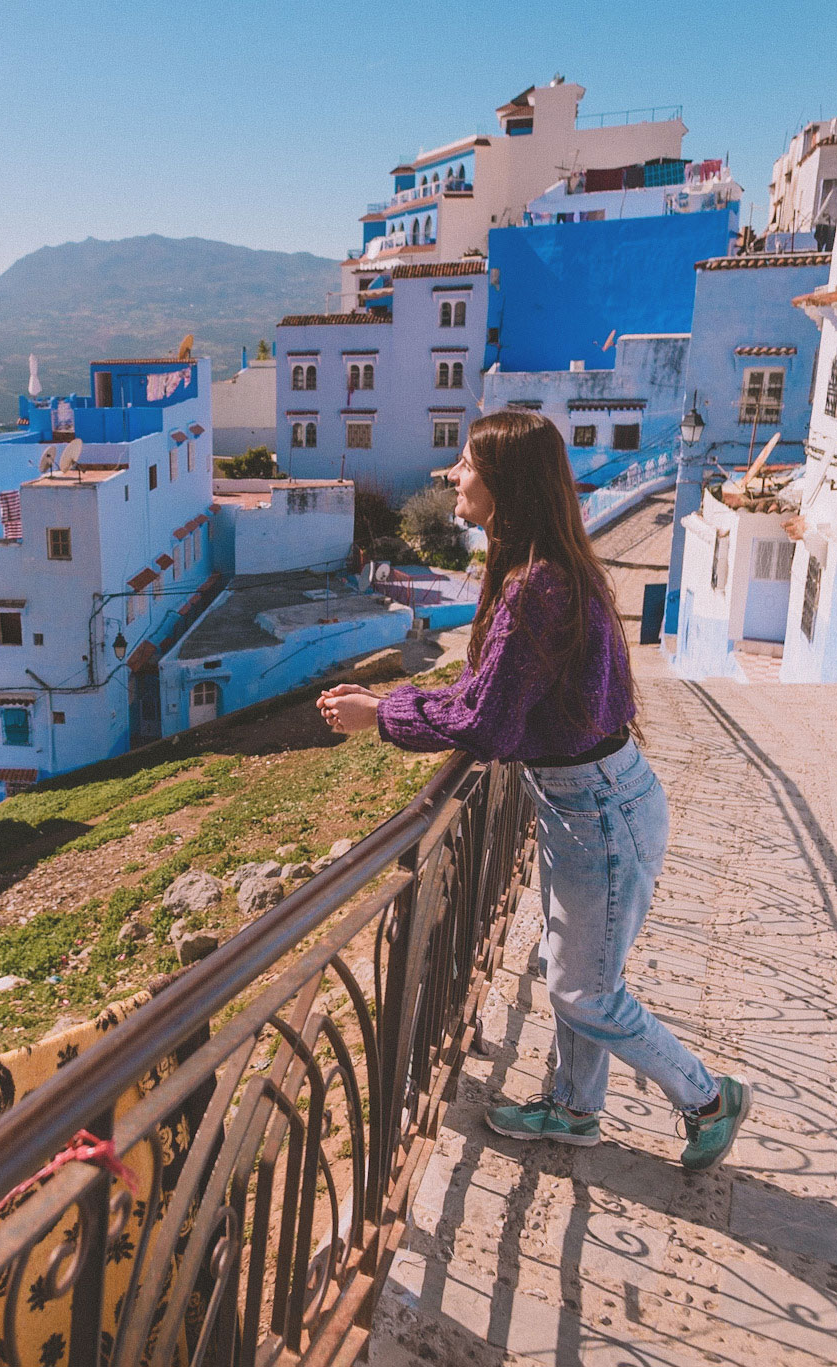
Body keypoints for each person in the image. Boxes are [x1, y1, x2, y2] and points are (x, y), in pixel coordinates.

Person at [317, 410, 749, 1171]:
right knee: (577, 974)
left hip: (599, 812)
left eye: (465, 461)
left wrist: (380, 713)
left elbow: (485, 724)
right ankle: (576, 1108)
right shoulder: (545, 573)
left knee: (585, 991)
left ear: (505, 482)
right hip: (586, 803)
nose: (453, 474)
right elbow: (495, 691)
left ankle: (708, 1097)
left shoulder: (537, 588)